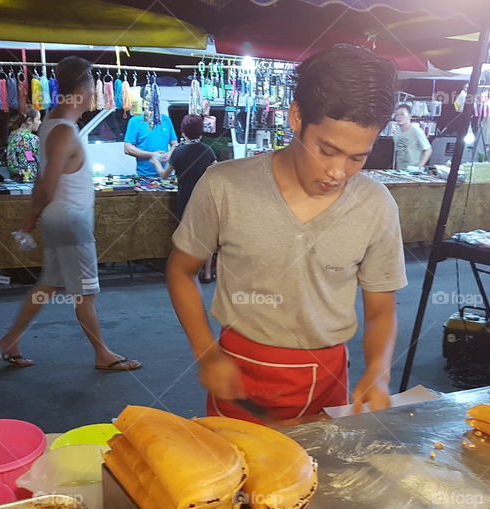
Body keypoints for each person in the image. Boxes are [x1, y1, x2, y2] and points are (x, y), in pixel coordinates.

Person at [166, 45, 406, 422]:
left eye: (357, 158)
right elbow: (181, 271)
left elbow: (381, 309)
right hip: (238, 370)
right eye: (327, 150)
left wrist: (378, 372)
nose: (338, 173)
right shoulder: (224, 186)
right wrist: (206, 353)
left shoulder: (376, 205)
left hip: (325, 379)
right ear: (296, 117)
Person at [0, 56, 140, 372]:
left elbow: (42, 181)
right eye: (92, 89)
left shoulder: (51, 124)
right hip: (70, 221)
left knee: (48, 286)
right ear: (84, 89)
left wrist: (32, 219)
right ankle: (103, 354)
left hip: (60, 219)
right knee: (86, 293)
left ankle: (11, 339)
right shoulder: (63, 131)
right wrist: (31, 218)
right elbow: (46, 185)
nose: (93, 96)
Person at [150, 113, 218, 282]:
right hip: (206, 199)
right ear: (201, 131)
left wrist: (156, 162)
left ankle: (188, 271)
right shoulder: (207, 149)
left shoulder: (179, 152)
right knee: (207, 237)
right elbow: (216, 171)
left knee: (188, 236)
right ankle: (208, 273)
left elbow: (165, 175)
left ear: (183, 131)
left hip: (186, 198)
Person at [124, 107, 178, 177]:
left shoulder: (166, 120)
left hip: (166, 175)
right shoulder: (135, 121)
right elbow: (128, 149)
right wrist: (152, 154)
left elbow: (175, 144)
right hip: (145, 176)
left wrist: (169, 154)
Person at [388, 103, 431, 169]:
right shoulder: (396, 133)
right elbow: (397, 153)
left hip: (413, 171)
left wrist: (419, 167)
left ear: (409, 116)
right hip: (400, 171)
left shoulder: (416, 130)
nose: (398, 117)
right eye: (397, 115)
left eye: (402, 114)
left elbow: (428, 150)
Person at [6, 107, 41, 181]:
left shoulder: (12, 135)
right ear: (29, 121)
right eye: (38, 119)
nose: (40, 122)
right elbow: (34, 158)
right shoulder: (33, 139)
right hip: (29, 179)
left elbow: (26, 154)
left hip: (13, 178)